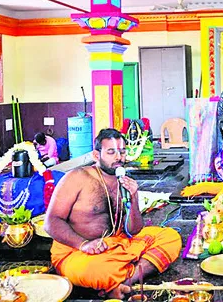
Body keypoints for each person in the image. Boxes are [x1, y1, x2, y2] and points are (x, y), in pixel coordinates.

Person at [44, 128, 181, 300]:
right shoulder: (77, 177)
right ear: (96, 155)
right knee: (98, 270)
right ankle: (125, 274)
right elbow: (51, 222)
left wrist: (134, 197)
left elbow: (134, 230)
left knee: (170, 237)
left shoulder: (123, 181)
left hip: (116, 243)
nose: (118, 157)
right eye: (111, 152)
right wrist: (83, 244)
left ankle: (126, 281)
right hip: (78, 251)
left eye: (122, 151)